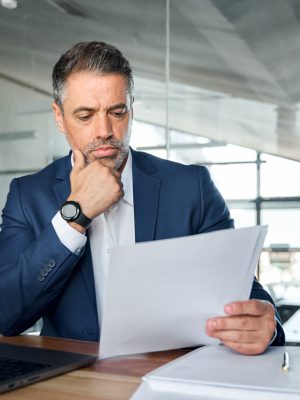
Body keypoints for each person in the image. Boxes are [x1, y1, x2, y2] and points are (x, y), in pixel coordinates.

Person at [0, 41, 284, 355]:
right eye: (85, 116)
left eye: (117, 112)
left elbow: (242, 288)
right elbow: (6, 313)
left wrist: (264, 324)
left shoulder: (191, 187)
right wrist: (76, 215)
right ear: (59, 117)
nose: (105, 131)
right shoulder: (28, 196)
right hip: (73, 382)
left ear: (132, 108)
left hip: (173, 376)